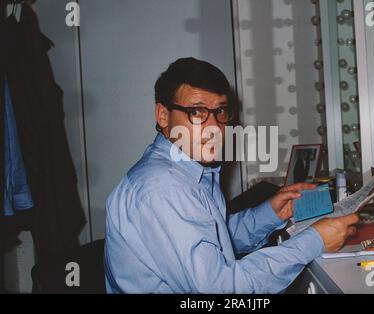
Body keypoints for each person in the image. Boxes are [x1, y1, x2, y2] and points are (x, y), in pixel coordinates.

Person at [104, 57, 358, 293]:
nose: (214, 127)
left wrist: (271, 214)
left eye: (220, 112)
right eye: (196, 112)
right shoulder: (162, 188)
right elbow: (220, 289)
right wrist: (314, 241)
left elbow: (213, 239)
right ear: (163, 115)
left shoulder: (188, 167)